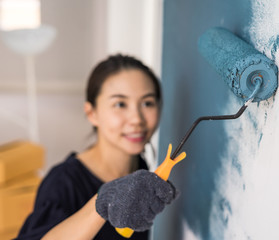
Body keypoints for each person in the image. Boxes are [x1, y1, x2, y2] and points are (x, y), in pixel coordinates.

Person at [15, 54, 183, 240]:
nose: (137, 119)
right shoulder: (63, 182)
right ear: (92, 113)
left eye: (147, 103)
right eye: (120, 104)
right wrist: (102, 203)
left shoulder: (141, 169)